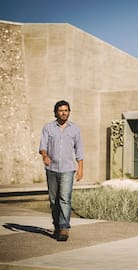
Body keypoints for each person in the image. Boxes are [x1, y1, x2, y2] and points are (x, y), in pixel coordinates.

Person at [39, 100, 84, 241]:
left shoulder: (75, 129)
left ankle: (64, 228)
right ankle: (57, 225)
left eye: (66, 110)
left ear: (69, 112)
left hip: (67, 169)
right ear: (56, 113)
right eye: (61, 110)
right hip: (51, 169)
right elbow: (42, 146)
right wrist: (45, 156)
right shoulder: (48, 128)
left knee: (65, 199)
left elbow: (79, 150)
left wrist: (80, 169)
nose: (64, 113)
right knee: (54, 200)